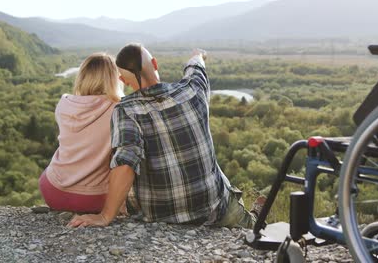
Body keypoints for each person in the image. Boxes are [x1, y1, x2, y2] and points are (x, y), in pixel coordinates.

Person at [68, 44, 262, 228]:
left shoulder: (126, 110)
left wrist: (105, 216)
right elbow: (196, 66)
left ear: (124, 81)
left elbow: (126, 162)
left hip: (157, 214)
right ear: (155, 64)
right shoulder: (192, 91)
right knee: (247, 221)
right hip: (213, 208)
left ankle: (253, 214)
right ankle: (254, 218)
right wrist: (198, 55)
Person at [39, 53, 126, 213]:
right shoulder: (120, 109)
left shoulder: (64, 103)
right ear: (114, 79)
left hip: (53, 191)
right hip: (93, 199)